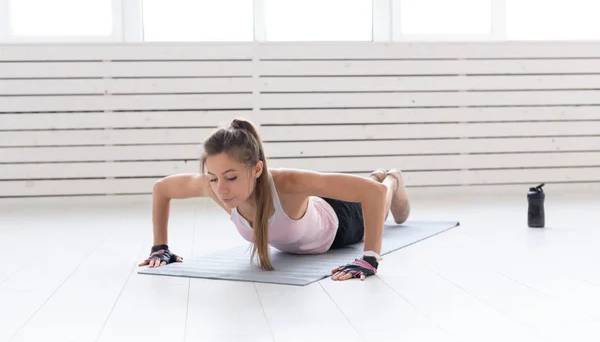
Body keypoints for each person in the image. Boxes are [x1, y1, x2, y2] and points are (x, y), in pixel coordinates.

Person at [138, 118, 410, 282]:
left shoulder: (285, 182)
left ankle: (391, 179)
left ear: (256, 169)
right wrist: (160, 247)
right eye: (213, 178)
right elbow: (162, 189)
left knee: (380, 198)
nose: (221, 188)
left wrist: (369, 258)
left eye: (231, 177)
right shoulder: (215, 187)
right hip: (309, 215)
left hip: (341, 223)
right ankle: (376, 176)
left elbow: (371, 197)